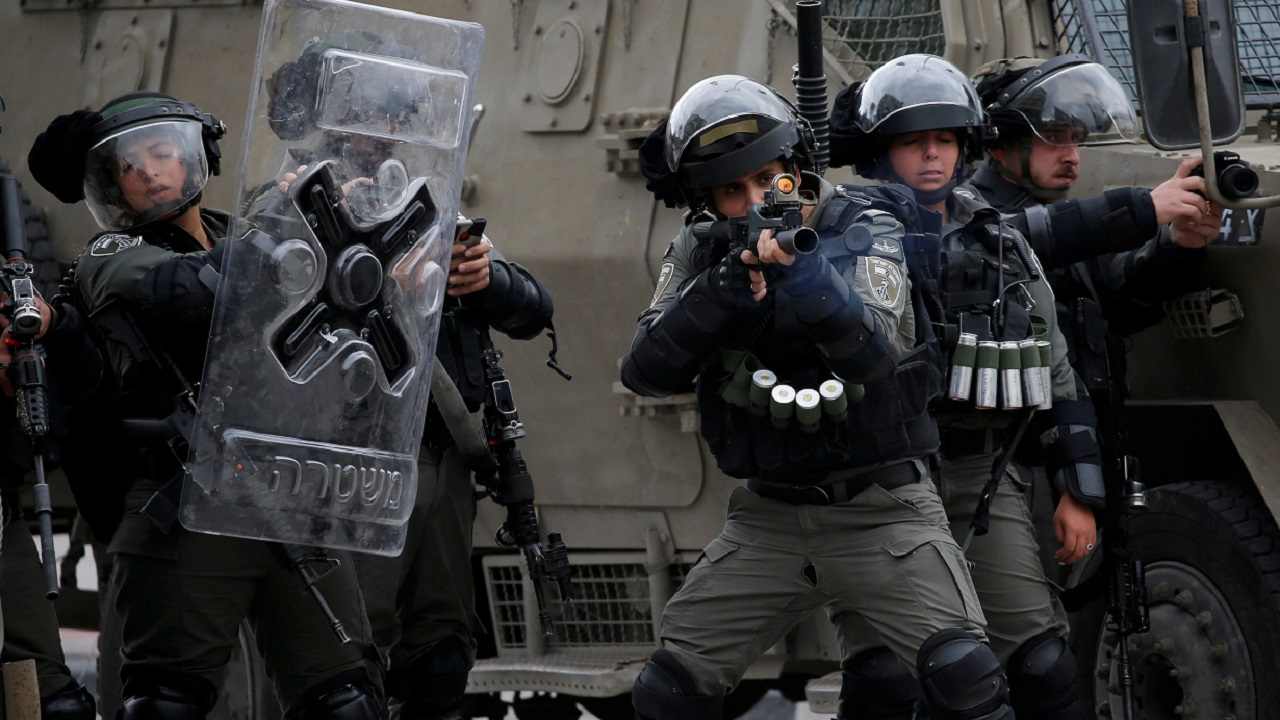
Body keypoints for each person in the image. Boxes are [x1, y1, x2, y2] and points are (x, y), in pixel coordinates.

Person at [623, 74, 1013, 720]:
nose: (755, 202)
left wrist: (806, 273)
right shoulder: (700, 247)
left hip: (882, 511)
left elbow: (873, 352)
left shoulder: (866, 223)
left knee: (965, 682)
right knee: (668, 692)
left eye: (767, 180)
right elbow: (644, 369)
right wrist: (720, 291)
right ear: (706, 201)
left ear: (796, 170)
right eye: (732, 191)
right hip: (768, 519)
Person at [27, 92, 384, 720]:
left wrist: (337, 225)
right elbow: (193, 293)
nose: (149, 172)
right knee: (168, 702)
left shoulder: (242, 234)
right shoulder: (109, 257)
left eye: (162, 153)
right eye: (128, 166)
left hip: (286, 493)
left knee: (346, 699)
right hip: (185, 502)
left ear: (199, 157)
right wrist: (285, 223)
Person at [824, 53, 1120, 720]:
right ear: (881, 150)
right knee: (887, 678)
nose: (931, 155)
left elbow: (1055, 368)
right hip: (876, 487)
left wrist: (1079, 490)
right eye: (912, 141)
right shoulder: (839, 232)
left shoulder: (996, 237)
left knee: (1041, 664)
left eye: (944, 139)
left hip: (980, 475)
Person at [969, 55, 1215, 404]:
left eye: (1076, 139)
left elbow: (1123, 305)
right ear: (999, 144)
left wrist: (1177, 245)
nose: (1072, 156)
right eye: (1053, 137)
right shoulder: (965, 214)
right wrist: (1140, 209)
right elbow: (1008, 239)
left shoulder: (1068, 225)